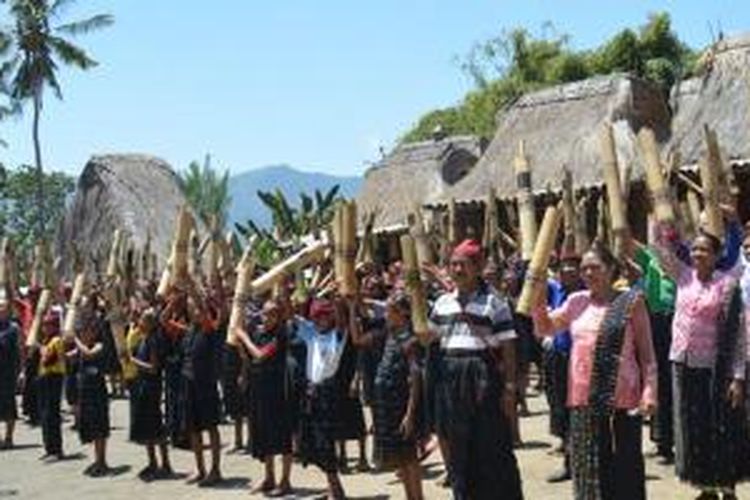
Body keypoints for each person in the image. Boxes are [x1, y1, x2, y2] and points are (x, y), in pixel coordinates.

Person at [533, 243, 657, 500]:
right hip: (582, 400)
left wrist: (650, 392)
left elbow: (647, 355)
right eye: (584, 269)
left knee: (624, 469)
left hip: (622, 400)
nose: (588, 273)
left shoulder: (631, 302)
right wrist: (537, 296)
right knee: (589, 470)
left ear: (611, 269)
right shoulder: (576, 301)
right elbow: (545, 328)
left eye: (595, 267)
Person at [654, 221, 746, 500]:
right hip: (683, 365)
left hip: (715, 370)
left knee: (721, 427)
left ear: (717, 256)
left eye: (704, 249)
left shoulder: (727, 285)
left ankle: (727, 487)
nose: (697, 254)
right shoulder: (683, 276)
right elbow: (658, 250)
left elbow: (739, 335)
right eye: (693, 249)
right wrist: (663, 222)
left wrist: (738, 377)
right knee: (693, 428)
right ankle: (705, 486)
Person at [426, 239, 523, 500]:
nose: (457, 269)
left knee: (490, 447)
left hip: (483, 381)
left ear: (478, 267)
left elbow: (509, 345)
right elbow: (429, 338)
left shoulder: (495, 302)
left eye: (463, 264)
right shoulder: (442, 303)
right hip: (451, 380)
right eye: (453, 264)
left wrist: (510, 388)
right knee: (459, 449)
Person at [355, 291, 424, 500]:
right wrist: (351, 310)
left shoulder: (410, 339)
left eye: (389, 311)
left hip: (402, 406)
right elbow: (358, 340)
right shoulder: (387, 334)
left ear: (401, 313)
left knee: (410, 458)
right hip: (387, 407)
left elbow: (415, 379)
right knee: (401, 460)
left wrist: (409, 415)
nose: (385, 314)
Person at [161, 281, 224, 486]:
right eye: (191, 308)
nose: (194, 311)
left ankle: (215, 470)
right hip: (189, 385)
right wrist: (173, 301)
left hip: (206, 385)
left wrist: (192, 288)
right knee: (194, 429)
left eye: (196, 309)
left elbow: (205, 312)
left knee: (211, 427)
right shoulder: (188, 330)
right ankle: (201, 469)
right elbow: (163, 319)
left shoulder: (208, 328)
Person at [235, 299, 294, 496]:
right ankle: (269, 478)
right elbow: (249, 357)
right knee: (264, 434)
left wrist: (244, 337)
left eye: (271, 314)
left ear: (279, 317)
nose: (266, 317)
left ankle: (285, 481)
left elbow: (260, 354)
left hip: (277, 392)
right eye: (265, 313)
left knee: (282, 437)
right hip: (258, 390)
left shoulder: (281, 335)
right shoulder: (258, 331)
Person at [294, 297, 351, 500]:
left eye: (325, 316)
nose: (321, 320)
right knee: (311, 443)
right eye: (318, 317)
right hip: (311, 393)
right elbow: (292, 316)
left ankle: (336, 488)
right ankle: (332, 487)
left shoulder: (338, 335)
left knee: (325, 441)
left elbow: (343, 321)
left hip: (328, 392)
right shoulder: (311, 334)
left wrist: (340, 298)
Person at [542, 254, 582, 482]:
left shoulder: (588, 294)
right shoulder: (555, 290)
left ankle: (584, 462)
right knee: (562, 411)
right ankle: (569, 462)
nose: (567, 270)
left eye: (573, 267)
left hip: (581, 362)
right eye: (564, 267)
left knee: (581, 412)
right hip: (559, 359)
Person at [129, 307, 173, 480]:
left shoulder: (154, 340)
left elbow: (154, 368)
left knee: (155, 426)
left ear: (150, 323)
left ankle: (166, 463)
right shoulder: (144, 338)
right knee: (146, 427)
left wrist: (133, 361)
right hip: (143, 384)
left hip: (151, 386)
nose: (139, 321)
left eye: (142, 319)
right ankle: (152, 462)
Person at [75, 306, 112, 477]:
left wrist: (75, 339)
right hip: (85, 391)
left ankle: (102, 461)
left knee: (100, 428)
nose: (84, 333)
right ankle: (97, 460)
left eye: (86, 331)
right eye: (82, 331)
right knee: (90, 426)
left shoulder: (99, 345)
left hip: (97, 391)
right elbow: (68, 355)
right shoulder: (82, 346)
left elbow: (89, 354)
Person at [37, 309, 66, 460]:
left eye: (48, 325)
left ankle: (57, 449)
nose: (45, 328)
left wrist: (41, 351)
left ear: (55, 326)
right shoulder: (46, 341)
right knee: (44, 415)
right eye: (44, 325)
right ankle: (49, 448)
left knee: (52, 414)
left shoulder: (56, 341)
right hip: (44, 379)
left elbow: (49, 361)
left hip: (53, 378)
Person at [0, 295, 21, 449]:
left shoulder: (13, 328)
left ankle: (9, 437)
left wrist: (21, 372)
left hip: (7, 372)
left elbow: (18, 351)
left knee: (9, 406)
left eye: (3, 308)